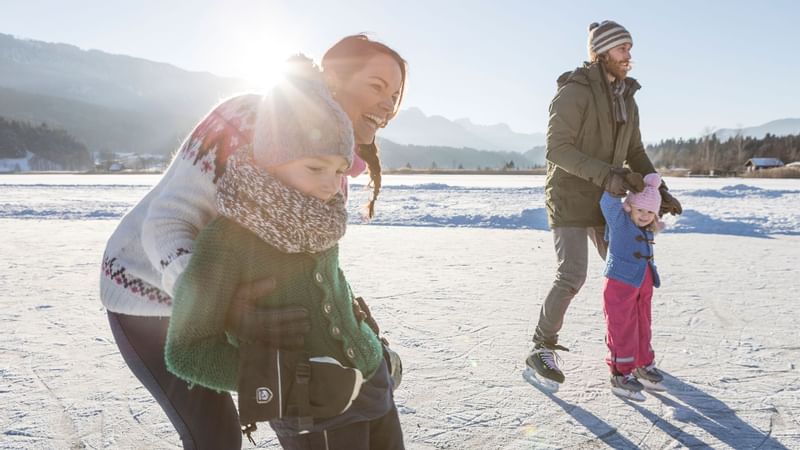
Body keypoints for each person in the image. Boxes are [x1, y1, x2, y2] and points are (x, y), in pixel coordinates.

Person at [99, 34, 407, 449]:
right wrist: (218, 309)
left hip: (236, 301)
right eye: (377, 86)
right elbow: (169, 221)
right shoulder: (249, 117)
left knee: (287, 392)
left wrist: (354, 335)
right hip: (146, 292)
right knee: (216, 437)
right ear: (334, 76)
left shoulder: (330, 170)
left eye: (396, 95)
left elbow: (305, 264)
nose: (389, 104)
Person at [524, 20, 682, 391]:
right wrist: (607, 175)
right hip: (570, 198)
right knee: (572, 274)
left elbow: (636, 152)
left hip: (608, 200)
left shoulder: (627, 96)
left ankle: (632, 357)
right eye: (622, 49)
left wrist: (660, 190)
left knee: (631, 277)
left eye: (629, 48)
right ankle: (540, 347)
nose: (629, 57)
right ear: (602, 52)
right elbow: (556, 149)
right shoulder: (573, 92)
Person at [600, 173, 665, 401]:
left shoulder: (648, 227)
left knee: (643, 324)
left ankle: (642, 364)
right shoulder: (620, 222)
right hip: (620, 283)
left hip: (643, 283)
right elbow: (607, 204)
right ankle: (620, 373)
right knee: (622, 327)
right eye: (640, 210)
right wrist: (615, 187)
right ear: (629, 207)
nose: (645, 216)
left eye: (650, 212)